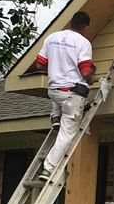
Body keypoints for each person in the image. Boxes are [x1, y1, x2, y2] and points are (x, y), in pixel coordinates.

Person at [34, 11, 96, 176]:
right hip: (71, 94)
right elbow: (85, 72)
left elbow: (40, 65)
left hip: (54, 91)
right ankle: (48, 168)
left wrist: (56, 69)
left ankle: (55, 117)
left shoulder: (52, 38)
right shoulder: (83, 42)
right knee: (67, 133)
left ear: (71, 22)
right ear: (85, 27)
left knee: (60, 95)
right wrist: (92, 79)